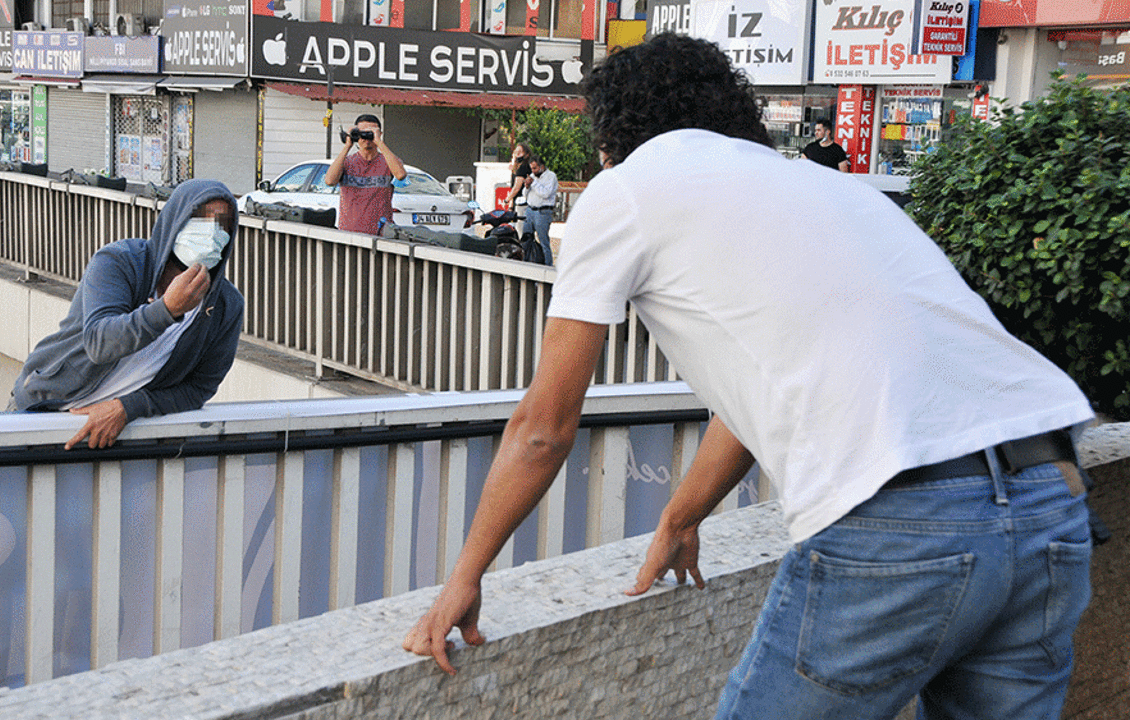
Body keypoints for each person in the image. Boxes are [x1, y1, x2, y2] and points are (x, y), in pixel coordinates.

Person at [403, 33, 1094, 720]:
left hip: (907, 516)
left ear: (612, 134)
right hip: (1050, 495)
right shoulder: (823, 186)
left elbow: (544, 429)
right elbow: (767, 383)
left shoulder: (627, 192)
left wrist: (464, 577)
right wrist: (682, 515)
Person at [9, 179, 245, 450]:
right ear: (176, 217)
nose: (212, 233)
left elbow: (199, 388)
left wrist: (129, 407)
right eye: (201, 219)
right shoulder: (120, 262)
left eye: (222, 225)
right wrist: (166, 310)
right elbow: (100, 342)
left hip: (112, 429)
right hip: (42, 408)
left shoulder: (226, 306)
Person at [324, 113, 406, 234]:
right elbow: (330, 181)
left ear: (379, 134)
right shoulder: (347, 162)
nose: (366, 138)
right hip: (350, 234)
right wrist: (347, 145)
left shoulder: (389, 161)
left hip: (380, 235)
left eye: (370, 133)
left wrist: (378, 142)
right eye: (362, 133)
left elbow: (400, 175)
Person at [521, 156, 558, 265]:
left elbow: (545, 194)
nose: (533, 171)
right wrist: (527, 186)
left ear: (542, 167)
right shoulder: (532, 177)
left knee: (543, 242)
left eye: (535, 168)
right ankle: (527, 263)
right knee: (526, 240)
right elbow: (525, 195)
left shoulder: (551, 177)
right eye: (531, 168)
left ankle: (547, 266)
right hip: (530, 210)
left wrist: (533, 183)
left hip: (543, 211)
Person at [502, 142, 531, 210]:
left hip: (522, 202)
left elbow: (516, 188)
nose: (517, 154)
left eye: (520, 152)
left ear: (526, 154)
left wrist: (507, 200)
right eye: (516, 152)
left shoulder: (523, 167)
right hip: (522, 201)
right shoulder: (520, 167)